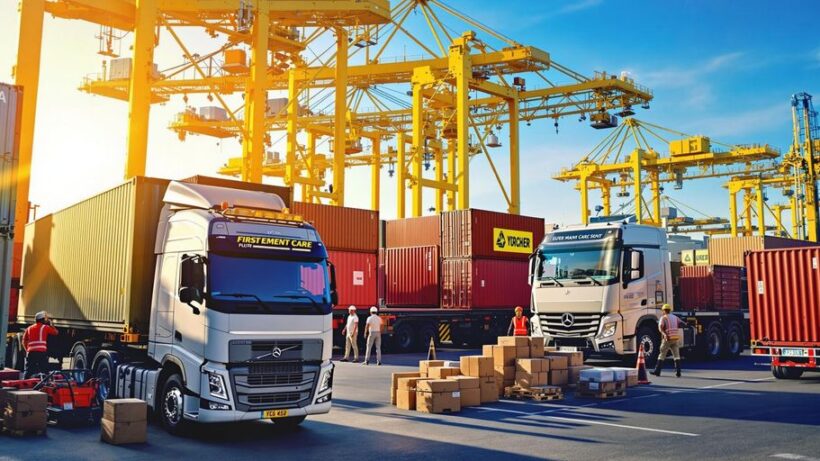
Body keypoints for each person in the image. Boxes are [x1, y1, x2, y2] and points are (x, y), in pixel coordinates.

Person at [22, 311, 59, 378]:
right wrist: (51, 325)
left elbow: (24, 340)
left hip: (31, 352)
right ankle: (46, 384)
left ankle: (24, 382)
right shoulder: (45, 327)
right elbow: (55, 333)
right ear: (42, 320)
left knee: (29, 370)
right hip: (41, 353)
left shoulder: (29, 328)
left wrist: (27, 350)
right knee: (44, 370)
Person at [652, 304, 683, 377]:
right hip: (675, 338)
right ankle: (678, 372)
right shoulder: (675, 317)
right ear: (670, 310)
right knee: (676, 355)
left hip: (667, 338)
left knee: (662, 354)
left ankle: (657, 371)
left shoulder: (663, 318)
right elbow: (682, 323)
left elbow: (660, 328)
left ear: (663, 311)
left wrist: (664, 334)